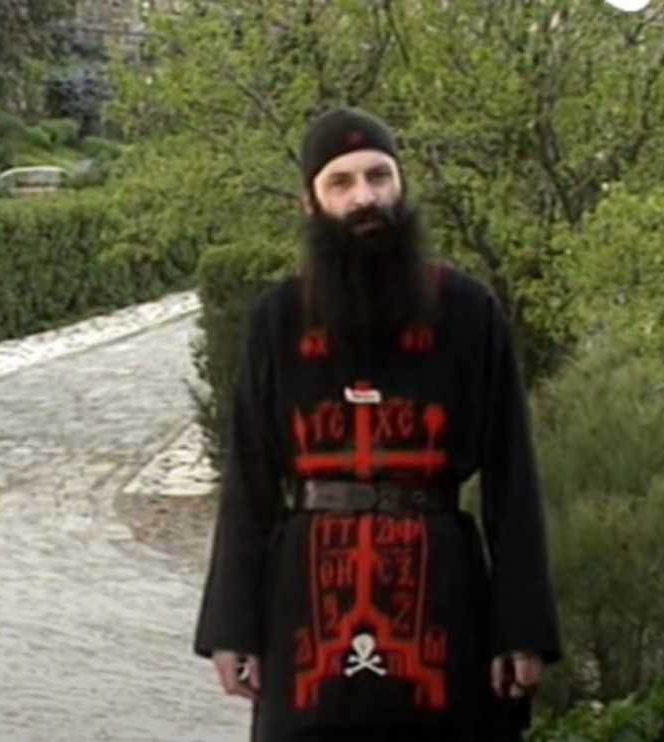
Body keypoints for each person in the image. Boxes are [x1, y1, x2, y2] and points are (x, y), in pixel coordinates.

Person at [192, 106, 562, 742]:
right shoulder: (278, 319)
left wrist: (521, 628)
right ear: (310, 202)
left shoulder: (467, 312)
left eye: (378, 176)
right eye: (340, 182)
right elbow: (249, 478)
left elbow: (512, 475)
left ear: (401, 184)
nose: (364, 197)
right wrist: (233, 627)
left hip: (441, 593)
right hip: (309, 601)